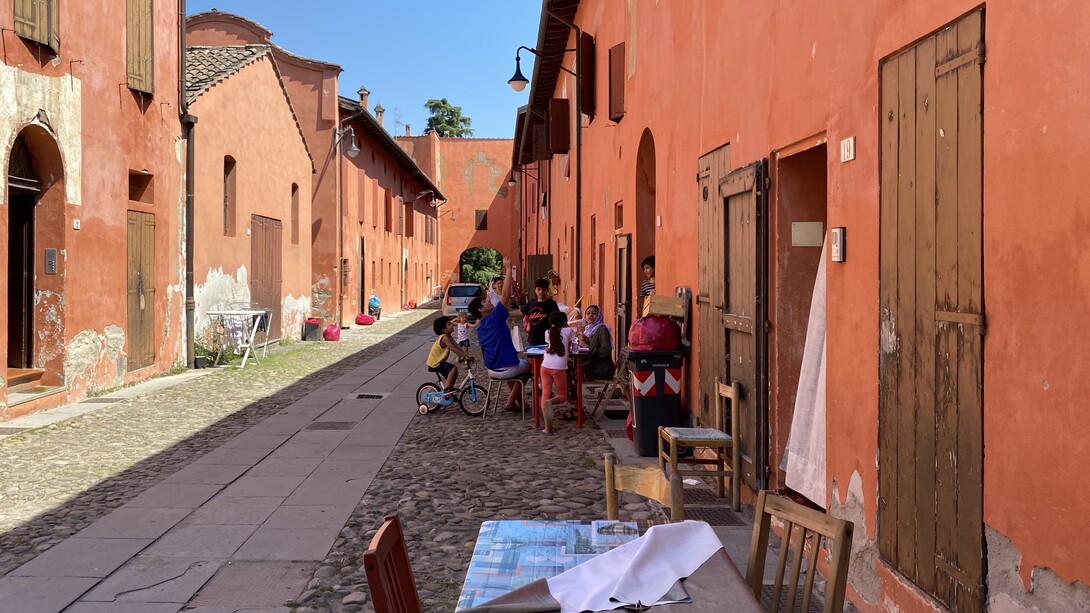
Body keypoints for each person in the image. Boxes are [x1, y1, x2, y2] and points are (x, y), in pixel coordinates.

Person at [468, 256, 531, 410]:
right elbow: (505, 295)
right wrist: (508, 269)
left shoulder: (480, 326)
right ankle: (511, 401)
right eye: (485, 301)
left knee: (513, 366)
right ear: (481, 309)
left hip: (491, 369)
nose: (489, 300)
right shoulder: (495, 318)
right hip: (505, 368)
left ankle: (521, 403)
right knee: (529, 368)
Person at [540, 311, 578, 431]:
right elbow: (573, 348)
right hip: (559, 367)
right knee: (562, 396)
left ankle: (548, 427)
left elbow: (549, 346)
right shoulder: (568, 331)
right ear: (565, 322)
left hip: (545, 366)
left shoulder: (548, 332)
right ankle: (550, 402)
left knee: (545, 394)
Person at [427, 316, 473, 393]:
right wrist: (464, 356)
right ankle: (447, 391)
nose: (452, 325)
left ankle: (449, 391)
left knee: (455, 373)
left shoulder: (449, 337)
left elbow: (458, 347)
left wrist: (466, 356)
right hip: (435, 363)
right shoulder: (444, 338)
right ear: (444, 330)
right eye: (449, 324)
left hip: (439, 361)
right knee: (453, 368)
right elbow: (453, 349)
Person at [577, 304, 615, 381]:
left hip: (601, 369)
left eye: (594, 313)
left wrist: (587, 347)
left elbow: (605, 352)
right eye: (588, 313)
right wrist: (583, 340)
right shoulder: (590, 330)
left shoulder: (602, 330)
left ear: (598, 316)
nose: (591, 315)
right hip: (593, 367)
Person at [523, 278, 560, 346]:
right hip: (533, 338)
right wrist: (506, 313)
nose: (541, 292)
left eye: (543, 289)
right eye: (539, 289)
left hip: (547, 340)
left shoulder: (551, 304)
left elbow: (558, 319)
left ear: (547, 290)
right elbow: (522, 312)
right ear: (535, 290)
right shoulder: (531, 303)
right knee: (534, 356)